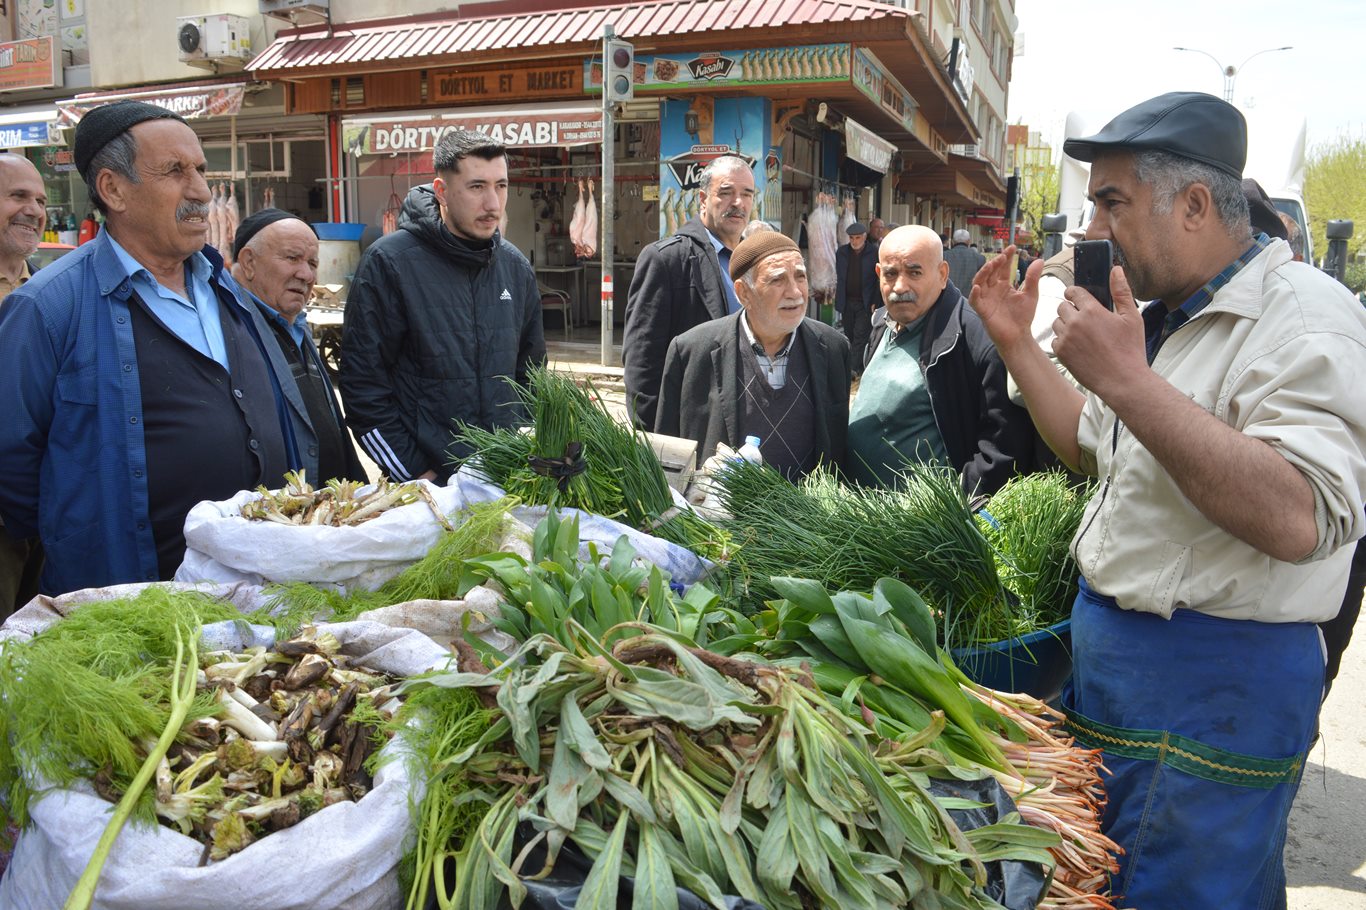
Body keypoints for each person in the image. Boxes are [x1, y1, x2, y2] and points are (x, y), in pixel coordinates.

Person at [968, 92, 1366, 909]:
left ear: (1193, 205)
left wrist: (1126, 380)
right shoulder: (1170, 319)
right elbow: (1094, 447)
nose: (1093, 227)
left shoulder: (1304, 318)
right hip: (1128, 686)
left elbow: (1299, 515)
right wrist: (1017, 345)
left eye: (1112, 202)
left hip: (1210, 699)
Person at [0, 100, 316, 595]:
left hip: (261, 583)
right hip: (134, 600)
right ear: (113, 189)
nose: (201, 191)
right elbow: (13, 465)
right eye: (174, 171)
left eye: (200, 170)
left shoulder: (225, 287)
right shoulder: (46, 307)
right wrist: (82, 535)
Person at [341, 128, 545, 484]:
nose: (493, 204)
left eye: (501, 186)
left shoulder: (515, 268)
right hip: (425, 487)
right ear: (441, 191)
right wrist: (418, 475)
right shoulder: (389, 263)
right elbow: (363, 388)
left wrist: (526, 456)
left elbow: (532, 378)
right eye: (477, 187)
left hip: (505, 479)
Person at [847, 225, 1034, 495]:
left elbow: (1003, 447)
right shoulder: (881, 324)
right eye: (890, 274)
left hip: (918, 519)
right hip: (859, 510)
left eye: (914, 273)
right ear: (878, 274)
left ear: (943, 274)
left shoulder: (975, 339)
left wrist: (955, 505)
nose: (900, 286)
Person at [654, 231, 850, 479]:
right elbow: (666, 454)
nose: (795, 292)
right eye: (777, 280)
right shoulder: (692, 351)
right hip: (718, 503)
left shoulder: (833, 348)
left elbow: (839, 447)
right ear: (743, 292)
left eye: (800, 276)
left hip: (809, 504)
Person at [231, 209, 364, 484]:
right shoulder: (232, 332)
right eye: (292, 258)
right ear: (249, 262)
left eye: (313, 263)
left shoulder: (295, 326)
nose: (306, 274)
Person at [624, 155, 756, 427]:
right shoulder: (667, 260)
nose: (738, 203)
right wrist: (653, 434)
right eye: (726, 192)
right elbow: (642, 358)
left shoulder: (755, 261)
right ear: (703, 199)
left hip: (748, 419)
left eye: (746, 194)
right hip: (694, 424)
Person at [0, 154, 48, 615]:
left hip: (43, 506)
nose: (33, 210)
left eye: (41, 200)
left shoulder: (48, 290)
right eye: (18, 196)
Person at [833, 220, 879, 370]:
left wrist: (875, 300)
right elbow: (839, 277)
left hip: (865, 302)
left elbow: (878, 279)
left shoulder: (874, 253)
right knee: (849, 335)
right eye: (852, 238)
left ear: (864, 237)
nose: (854, 241)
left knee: (860, 335)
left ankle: (852, 370)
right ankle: (855, 366)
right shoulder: (842, 253)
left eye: (858, 237)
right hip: (847, 301)